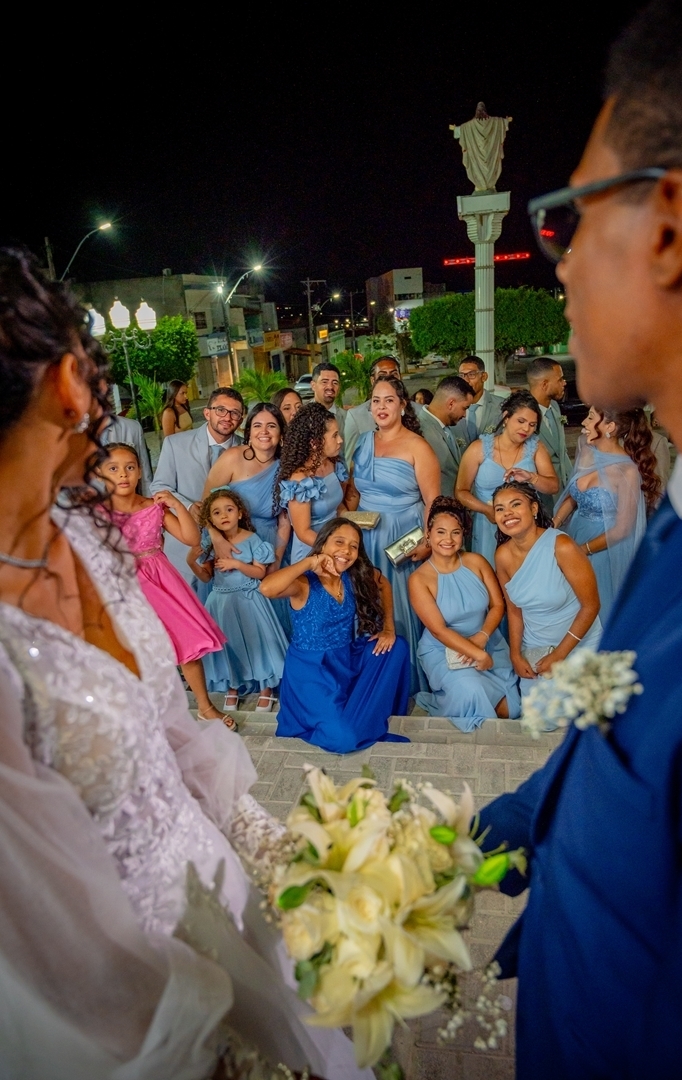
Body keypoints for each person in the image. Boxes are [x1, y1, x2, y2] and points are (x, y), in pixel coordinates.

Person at [0, 247, 368, 1078]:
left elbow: (170, 729)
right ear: (68, 380)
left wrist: (272, 854)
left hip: (226, 891)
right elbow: (35, 929)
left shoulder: (85, 531)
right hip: (135, 990)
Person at [478, 5, 682, 1073]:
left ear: (667, 223)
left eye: (570, 219)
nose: (561, 267)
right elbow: (625, 706)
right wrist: (527, 811)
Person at [97, 443, 235, 728]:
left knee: (185, 645)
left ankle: (205, 707)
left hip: (162, 583)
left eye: (130, 467)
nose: (123, 474)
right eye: (113, 468)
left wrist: (175, 505)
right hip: (123, 587)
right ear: (99, 474)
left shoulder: (152, 507)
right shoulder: (95, 513)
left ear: (139, 473)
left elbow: (191, 538)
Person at [260, 518, 410, 753]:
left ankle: (364, 711)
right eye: (339, 542)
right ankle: (352, 719)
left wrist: (388, 628)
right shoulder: (303, 583)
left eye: (354, 546)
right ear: (323, 544)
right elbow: (267, 588)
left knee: (396, 646)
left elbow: (384, 585)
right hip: (311, 672)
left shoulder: (352, 575)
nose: (346, 551)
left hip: (345, 657)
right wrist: (310, 562)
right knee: (343, 740)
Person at [351, 374, 441, 695]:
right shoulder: (361, 441)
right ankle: (374, 678)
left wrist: (427, 541)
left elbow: (433, 501)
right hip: (365, 535)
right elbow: (353, 495)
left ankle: (408, 680)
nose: (381, 407)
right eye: (376, 400)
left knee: (400, 604)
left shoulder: (418, 447)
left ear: (403, 406)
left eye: (389, 400)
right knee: (368, 599)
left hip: (405, 535)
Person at [409, 497, 520, 731]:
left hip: (487, 640)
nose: (448, 540)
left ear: (463, 536)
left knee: (511, 710)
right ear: (428, 535)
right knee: (473, 696)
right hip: (443, 649)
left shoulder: (476, 562)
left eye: (455, 533)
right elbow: (438, 630)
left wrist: (482, 638)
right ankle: (449, 697)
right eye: (440, 532)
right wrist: (477, 655)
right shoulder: (419, 579)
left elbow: (498, 606)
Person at [492, 481, 602, 700]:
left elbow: (591, 606)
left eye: (515, 505)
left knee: (577, 718)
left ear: (533, 509)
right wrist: (515, 654)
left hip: (578, 644)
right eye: (500, 508)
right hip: (536, 647)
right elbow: (514, 611)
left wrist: (560, 655)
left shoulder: (562, 546)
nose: (508, 513)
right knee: (540, 718)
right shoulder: (502, 556)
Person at [553, 405, 661, 620]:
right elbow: (574, 495)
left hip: (605, 549)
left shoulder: (628, 471)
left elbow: (623, 529)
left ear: (610, 426)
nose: (584, 422)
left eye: (591, 417)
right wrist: (553, 524)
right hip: (574, 533)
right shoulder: (586, 449)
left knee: (597, 606)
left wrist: (582, 551)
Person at [189, 489, 287, 714]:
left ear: (240, 514)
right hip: (221, 602)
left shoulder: (252, 539)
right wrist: (191, 562)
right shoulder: (211, 542)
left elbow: (260, 573)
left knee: (259, 643)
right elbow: (206, 576)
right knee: (229, 645)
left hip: (249, 600)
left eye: (229, 509)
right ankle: (233, 686)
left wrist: (237, 565)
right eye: (216, 512)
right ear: (211, 520)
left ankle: (266, 688)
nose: (224, 515)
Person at [151, 386, 244, 582]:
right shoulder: (176, 444)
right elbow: (159, 487)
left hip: (234, 550)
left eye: (234, 412)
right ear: (207, 412)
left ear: (241, 419)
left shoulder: (247, 450)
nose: (227, 417)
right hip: (186, 548)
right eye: (221, 410)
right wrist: (188, 506)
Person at [455, 389, 559, 563]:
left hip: (525, 526)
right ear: (506, 417)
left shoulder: (536, 448)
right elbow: (461, 491)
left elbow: (553, 486)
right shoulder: (478, 449)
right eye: (521, 421)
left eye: (532, 425)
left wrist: (532, 477)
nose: (526, 429)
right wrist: (487, 510)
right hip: (488, 526)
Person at [202, 401, 290, 566]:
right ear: (249, 433)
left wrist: (276, 560)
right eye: (257, 425)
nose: (264, 431)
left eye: (271, 426)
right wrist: (217, 539)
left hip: (270, 546)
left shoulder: (286, 466)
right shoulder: (232, 458)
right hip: (231, 545)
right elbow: (206, 504)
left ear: (281, 434)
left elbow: (285, 521)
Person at [276, 402, 348, 562]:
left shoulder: (333, 464)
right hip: (311, 553)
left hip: (336, 546)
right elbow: (303, 532)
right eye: (335, 435)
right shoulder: (300, 481)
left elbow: (338, 507)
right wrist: (334, 549)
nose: (340, 440)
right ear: (315, 443)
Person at [342, 355, 411, 465]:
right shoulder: (356, 417)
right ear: (372, 380)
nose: (389, 379)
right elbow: (349, 462)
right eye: (382, 376)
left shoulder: (419, 411)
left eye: (393, 374)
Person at [526, 356, 572, 516]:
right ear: (544, 384)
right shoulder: (522, 416)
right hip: (540, 500)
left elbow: (561, 452)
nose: (564, 383)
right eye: (560, 379)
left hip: (565, 493)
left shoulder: (554, 407)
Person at [417, 374, 474, 496]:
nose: (465, 415)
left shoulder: (448, 427)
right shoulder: (419, 430)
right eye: (465, 408)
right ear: (451, 404)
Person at [452, 356, 506, 452]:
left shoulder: (501, 406)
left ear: (484, 376)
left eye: (471, 374)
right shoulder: (451, 408)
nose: (466, 380)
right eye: (462, 375)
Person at [99, 409, 153, 493]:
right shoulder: (73, 429)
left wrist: (150, 502)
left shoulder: (132, 427)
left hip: (128, 501)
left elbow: (145, 475)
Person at [310, 361, 345, 439]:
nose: (330, 387)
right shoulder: (301, 415)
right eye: (324, 382)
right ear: (313, 385)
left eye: (335, 383)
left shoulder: (346, 419)